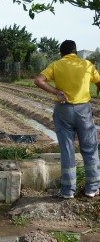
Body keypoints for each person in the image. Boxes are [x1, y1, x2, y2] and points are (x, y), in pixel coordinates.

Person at [34, 40, 100, 199]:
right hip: (83, 110)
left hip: (63, 110)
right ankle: (92, 189)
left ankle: (67, 191)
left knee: (67, 150)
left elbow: (38, 80)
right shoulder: (86, 65)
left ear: (61, 53)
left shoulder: (56, 65)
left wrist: (56, 91)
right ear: (75, 52)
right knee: (89, 148)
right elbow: (99, 82)